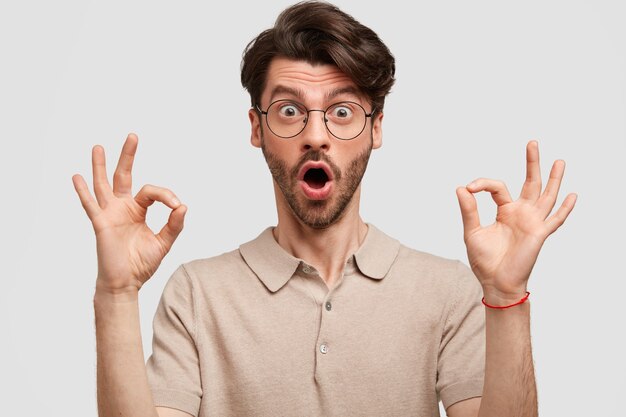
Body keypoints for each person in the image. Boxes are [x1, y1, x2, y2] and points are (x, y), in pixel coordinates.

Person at [72, 1, 577, 416]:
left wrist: (506, 294)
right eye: (289, 110)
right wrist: (116, 292)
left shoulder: (445, 292)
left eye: (342, 111)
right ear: (257, 128)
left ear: (376, 129)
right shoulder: (196, 294)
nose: (316, 136)